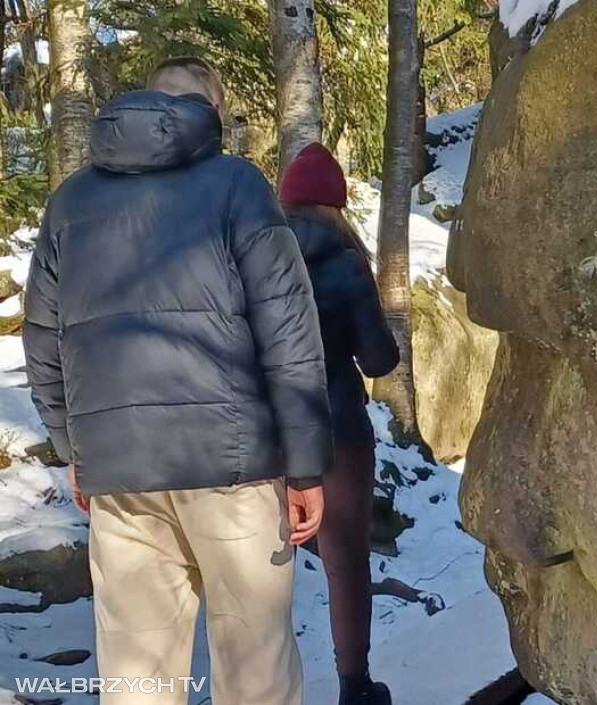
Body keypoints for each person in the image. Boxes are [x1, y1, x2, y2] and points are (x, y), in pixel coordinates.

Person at [23, 57, 332, 705]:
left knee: (137, 676)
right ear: (211, 113)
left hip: (122, 472)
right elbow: (289, 329)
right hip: (234, 467)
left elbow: (44, 337)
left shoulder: (71, 201)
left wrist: (73, 448)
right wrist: (305, 467)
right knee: (256, 672)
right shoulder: (236, 185)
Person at [278, 143, 399, 705]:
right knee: (345, 561)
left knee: (257, 568)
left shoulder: (254, 255)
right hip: (337, 429)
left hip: (268, 430)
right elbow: (377, 360)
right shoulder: (346, 259)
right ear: (337, 204)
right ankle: (355, 686)